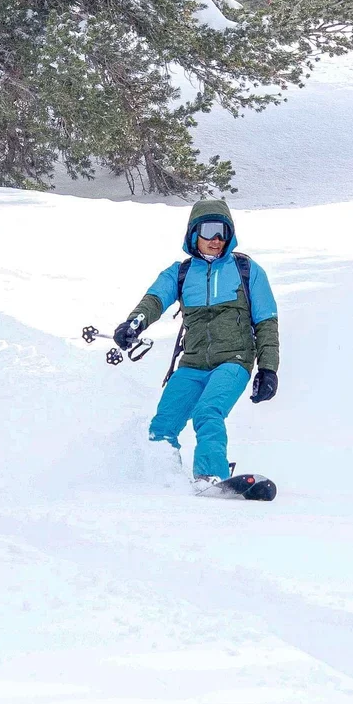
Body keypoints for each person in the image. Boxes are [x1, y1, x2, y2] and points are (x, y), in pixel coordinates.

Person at [114, 198, 279, 491]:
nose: (216, 240)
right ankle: (162, 479)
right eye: (209, 230)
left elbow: (266, 321)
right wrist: (134, 323)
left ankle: (210, 476)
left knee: (208, 412)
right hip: (191, 363)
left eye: (223, 232)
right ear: (194, 234)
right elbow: (154, 299)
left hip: (234, 360)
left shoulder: (247, 269)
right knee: (162, 425)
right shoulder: (180, 273)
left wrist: (267, 369)